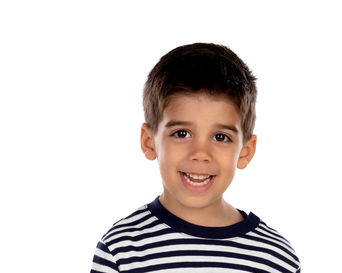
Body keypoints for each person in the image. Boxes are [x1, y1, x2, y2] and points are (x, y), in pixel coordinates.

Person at [90, 43, 301, 273]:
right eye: (181, 133)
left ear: (245, 151)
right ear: (149, 141)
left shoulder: (275, 258)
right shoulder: (121, 250)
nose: (200, 153)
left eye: (220, 137)